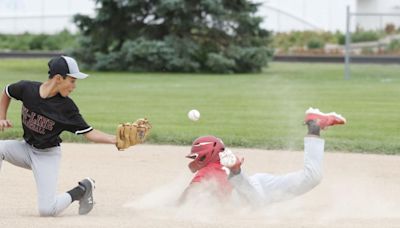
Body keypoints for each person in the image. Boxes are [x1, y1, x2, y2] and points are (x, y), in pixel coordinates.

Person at [0, 56, 117, 216]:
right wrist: (2, 117)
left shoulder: (66, 107)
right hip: (25, 149)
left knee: (47, 210)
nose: (74, 86)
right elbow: (7, 92)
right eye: (72, 80)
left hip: (46, 156)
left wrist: (115, 140)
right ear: (58, 78)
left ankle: (82, 189)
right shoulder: (27, 89)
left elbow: (89, 133)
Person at [181, 107, 346, 206]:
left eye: (198, 156)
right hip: (258, 183)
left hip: (251, 192)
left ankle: (236, 172)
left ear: (208, 155)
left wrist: (172, 206)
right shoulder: (217, 169)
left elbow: (188, 196)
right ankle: (314, 125)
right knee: (312, 177)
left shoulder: (210, 170)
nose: (196, 161)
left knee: (254, 203)